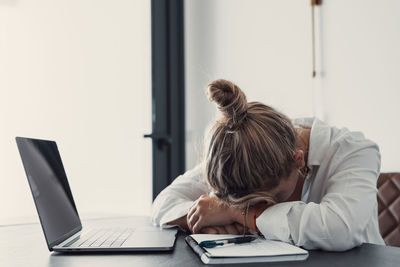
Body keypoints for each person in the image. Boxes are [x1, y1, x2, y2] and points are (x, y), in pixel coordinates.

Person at [151, 79, 385, 251]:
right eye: (247, 204)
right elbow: (164, 203)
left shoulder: (354, 150)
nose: (255, 208)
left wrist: (233, 211)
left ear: (298, 160)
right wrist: (204, 219)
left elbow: (338, 229)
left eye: (265, 201)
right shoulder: (239, 150)